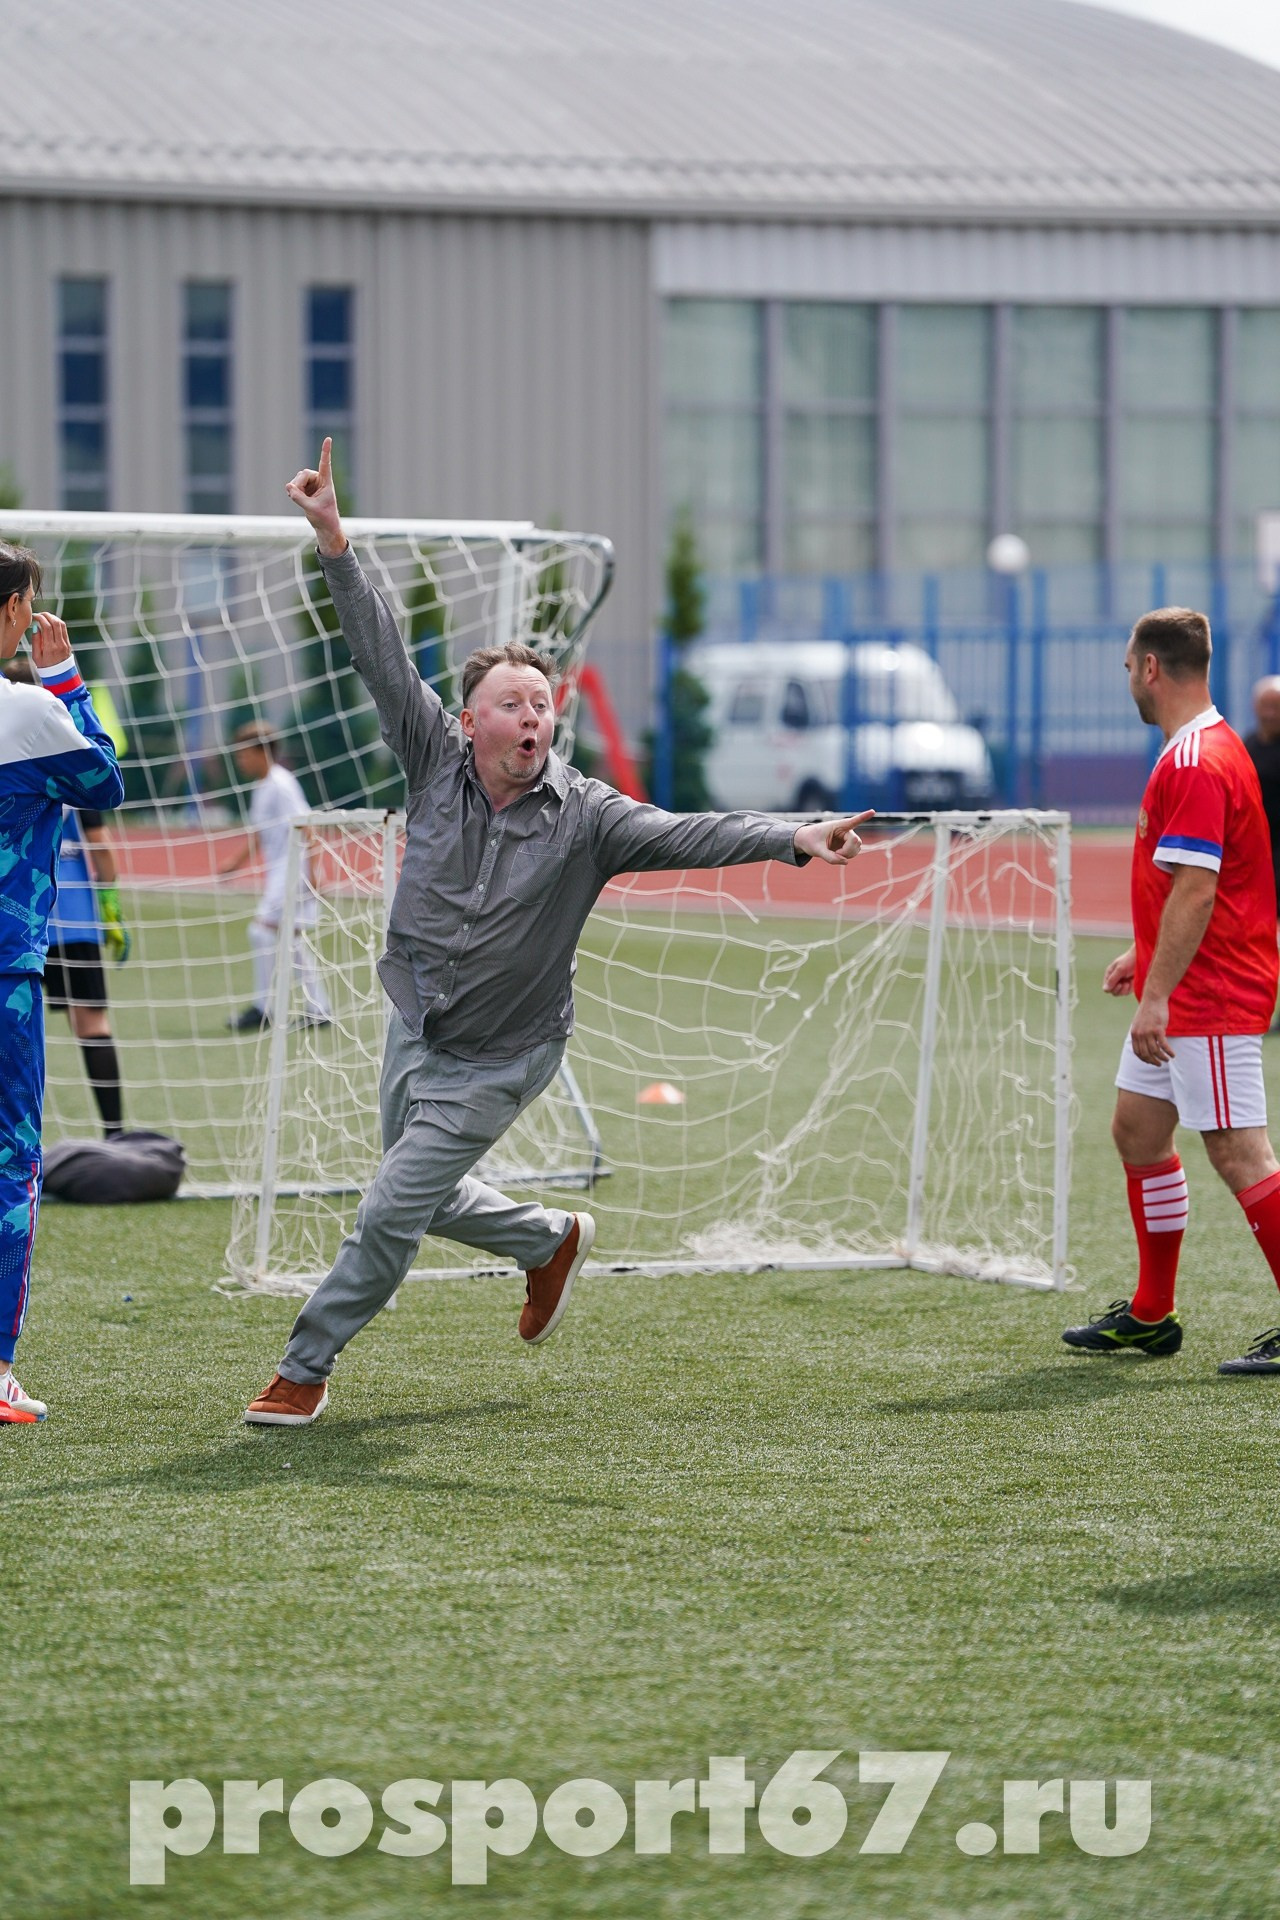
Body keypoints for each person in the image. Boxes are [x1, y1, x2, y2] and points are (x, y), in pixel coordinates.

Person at [245, 440, 872, 1425]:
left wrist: (794, 835)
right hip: (417, 1021)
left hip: (507, 1051)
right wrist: (333, 537)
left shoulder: (586, 815)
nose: (530, 714)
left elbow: (691, 832)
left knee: (387, 1207)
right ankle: (547, 1242)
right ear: (469, 721)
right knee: (424, 1195)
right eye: (511, 703)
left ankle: (303, 1369)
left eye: (542, 703)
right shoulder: (431, 759)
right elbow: (376, 651)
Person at [1062, 607, 1280, 1375]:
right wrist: (1144, 951)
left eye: (1128, 665)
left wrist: (1158, 992)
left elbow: (1197, 887)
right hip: (1185, 981)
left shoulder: (1194, 760)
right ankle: (1153, 1316)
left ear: (1151, 667)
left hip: (1209, 992)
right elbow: (1197, 885)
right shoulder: (1206, 747)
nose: (1128, 677)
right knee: (1138, 1133)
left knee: (1240, 1152)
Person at [0, 543, 124, 1422]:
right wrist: (66, 678)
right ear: (13, 615)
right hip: (4, 968)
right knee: (11, 1160)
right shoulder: (28, 713)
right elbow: (104, 781)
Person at [3, 654, 130, 1135]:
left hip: (20, 928)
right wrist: (112, 908)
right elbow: (102, 852)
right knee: (91, 1025)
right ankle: (114, 1132)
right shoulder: (65, 754)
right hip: (74, 921)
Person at [218, 721, 330, 1032]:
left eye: (244, 754)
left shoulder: (282, 784)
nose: (240, 760)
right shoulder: (263, 787)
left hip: (293, 871)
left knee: (261, 931)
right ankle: (318, 1009)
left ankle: (263, 1008)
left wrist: (316, 871)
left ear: (261, 752)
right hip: (281, 870)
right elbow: (260, 834)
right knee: (290, 941)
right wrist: (236, 863)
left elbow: (308, 825)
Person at [1244, 674, 1280, 1032]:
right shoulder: (1248, 746)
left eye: (1276, 707)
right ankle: (1255, 1007)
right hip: (1260, 859)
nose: (1269, 714)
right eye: (1264, 707)